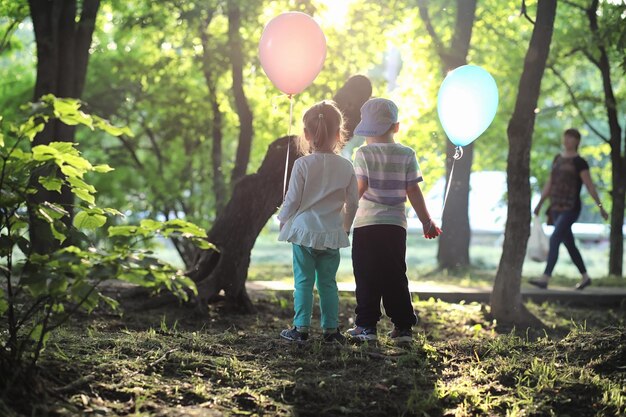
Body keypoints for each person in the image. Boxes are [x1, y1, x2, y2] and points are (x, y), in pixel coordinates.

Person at [346, 98, 441, 344]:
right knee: (395, 275)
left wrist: (344, 214)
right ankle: (403, 328)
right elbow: (413, 191)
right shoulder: (407, 154)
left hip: (366, 225)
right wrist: (426, 221)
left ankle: (366, 326)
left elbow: (360, 187)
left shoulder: (363, 153)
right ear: (396, 127)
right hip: (395, 226)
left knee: (366, 275)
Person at [277, 100, 359, 344]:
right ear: (338, 134)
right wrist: (346, 226)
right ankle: (331, 331)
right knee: (328, 284)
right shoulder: (346, 166)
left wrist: (282, 219)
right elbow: (352, 202)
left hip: (303, 233)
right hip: (331, 233)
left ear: (306, 134)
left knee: (302, 282)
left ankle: (300, 329)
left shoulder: (302, 164)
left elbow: (292, 199)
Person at [530, 128, 609, 290]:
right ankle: (586, 277)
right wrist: (539, 204)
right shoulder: (557, 159)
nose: (567, 141)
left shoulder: (580, 162)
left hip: (571, 208)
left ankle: (545, 278)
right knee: (569, 244)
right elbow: (550, 183)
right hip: (555, 208)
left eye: (571, 138)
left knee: (555, 238)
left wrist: (600, 207)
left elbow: (589, 185)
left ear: (577, 141)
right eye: (565, 137)